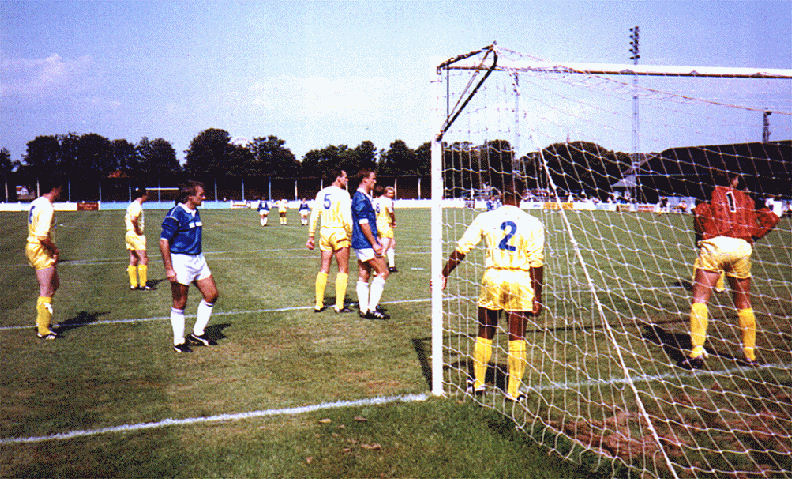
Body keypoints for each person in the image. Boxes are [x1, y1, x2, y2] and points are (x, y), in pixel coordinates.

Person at [439, 176, 544, 401]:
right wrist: (538, 296)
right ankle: (513, 392)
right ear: (523, 196)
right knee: (517, 336)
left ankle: (478, 385)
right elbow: (537, 262)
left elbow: (462, 248)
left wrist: (444, 273)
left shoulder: (486, 218)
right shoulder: (533, 222)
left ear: (500, 195)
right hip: (520, 280)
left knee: (485, 331)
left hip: (493, 277)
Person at [679, 173, 779, 369]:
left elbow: (699, 217)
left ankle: (696, 353)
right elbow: (772, 218)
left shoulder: (709, 192)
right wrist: (754, 236)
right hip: (741, 247)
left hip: (715, 245)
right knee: (743, 303)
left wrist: (701, 238)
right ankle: (750, 355)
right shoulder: (748, 197)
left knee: (700, 299)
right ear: (735, 179)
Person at [159, 181, 219, 353]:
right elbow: (164, 242)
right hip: (181, 261)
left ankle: (198, 333)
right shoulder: (176, 214)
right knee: (180, 302)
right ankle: (179, 341)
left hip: (198, 259)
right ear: (190, 196)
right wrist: (169, 268)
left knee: (211, 294)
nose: (204, 197)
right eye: (201, 195)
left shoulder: (195, 210)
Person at [306, 169, 354, 313]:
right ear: (338, 178)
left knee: (324, 268)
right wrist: (350, 234)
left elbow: (314, 215)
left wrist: (311, 235)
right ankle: (339, 305)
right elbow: (347, 218)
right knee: (342, 269)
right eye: (345, 177)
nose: (347, 180)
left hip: (325, 234)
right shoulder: (344, 194)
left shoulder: (321, 193)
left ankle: (319, 303)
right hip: (339, 233)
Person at [26, 178, 64, 340]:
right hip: (41, 249)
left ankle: (41, 320)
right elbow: (42, 235)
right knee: (46, 289)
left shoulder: (36, 202)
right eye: (60, 189)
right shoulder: (47, 207)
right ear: (54, 188)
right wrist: (54, 249)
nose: (60, 192)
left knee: (54, 284)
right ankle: (43, 328)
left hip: (34, 248)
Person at [351, 168, 390, 320]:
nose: (375, 181)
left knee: (364, 273)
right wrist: (374, 242)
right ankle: (372, 308)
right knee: (383, 271)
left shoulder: (364, 196)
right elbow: (364, 223)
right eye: (373, 179)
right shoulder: (360, 198)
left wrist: (377, 237)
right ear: (365, 179)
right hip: (365, 243)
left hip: (362, 242)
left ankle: (363, 309)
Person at [125, 187, 151, 290]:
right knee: (143, 258)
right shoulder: (137, 206)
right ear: (143, 195)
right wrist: (138, 230)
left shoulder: (131, 205)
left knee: (133, 258)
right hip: (136, 235)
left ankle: (133, 284)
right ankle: (143, 284)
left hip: (129, 234)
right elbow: (133, 219)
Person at [373, 186, 397, 273]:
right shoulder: (387, 201)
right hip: (385, 225)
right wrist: (394, 220)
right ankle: (377, 269)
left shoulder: (374, 201)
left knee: (392, 243)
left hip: (377, 225)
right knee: (384, 247)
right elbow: (390, 212)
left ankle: (392, 265)